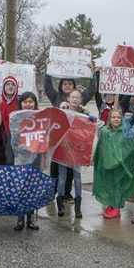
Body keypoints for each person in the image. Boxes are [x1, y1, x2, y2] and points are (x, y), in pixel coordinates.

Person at [44, 66, 97, 201]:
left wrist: (92, 72)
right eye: (65, 83)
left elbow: (91, 89)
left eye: (70, 83)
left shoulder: (79, 99)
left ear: (74, 86)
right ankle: (52, 192)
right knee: (55, 167)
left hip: (74, 140)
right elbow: (48, 86)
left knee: (69, 169)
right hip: (58, 139)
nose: (67, 86)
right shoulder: (55, 97)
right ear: (61, 86)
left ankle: (66, 193)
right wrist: (48, 69)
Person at [56, 89, 97, 219]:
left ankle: (78, 206)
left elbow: (90, 129)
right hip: (63, 150)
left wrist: (92, 120)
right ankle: (60, 204)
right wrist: (60, 109)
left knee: (78, 179)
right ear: (68, 99)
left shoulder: (85, 113)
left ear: (80, 100)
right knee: (61, 178)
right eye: (72, 97)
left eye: (77, 97)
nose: (74, 99)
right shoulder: (62, 110)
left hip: (78, 151)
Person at [92, 108, 134, 219]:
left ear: (122, 119)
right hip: (107, 165)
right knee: (108, 186)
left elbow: (131, 148)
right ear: (109, 119)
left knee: (118, 186)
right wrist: (99, 160)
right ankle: (111, 205)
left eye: (118, 117)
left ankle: (116, 208)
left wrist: (120, 160)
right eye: (113, 117)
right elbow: (101, 147)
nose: (116, 119)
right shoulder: (104, 131)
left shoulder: (125, 131)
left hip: (120, 165)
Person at [12, 91, 41, 231]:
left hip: (35, 158)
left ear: (35, 103)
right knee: (20, 188)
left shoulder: (41, 117)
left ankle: (31, 218)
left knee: (32, 189)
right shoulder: (15, 118)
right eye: (25, 101)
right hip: (20, 157)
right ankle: (19, 218)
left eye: (31, 101)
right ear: (21, 103)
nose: (28, 104)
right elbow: (14, 139)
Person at [0, 76, 19, 164]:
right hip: (1, 140)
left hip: (16, 140)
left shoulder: (20, 102)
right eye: (8, 84)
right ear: (3, 87)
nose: (10, 86)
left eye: (13, 84)